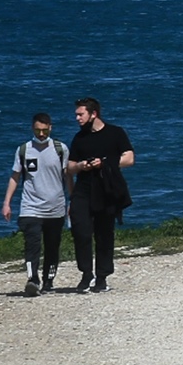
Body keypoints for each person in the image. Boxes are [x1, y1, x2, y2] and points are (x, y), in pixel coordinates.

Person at [66, 97, 134, 293]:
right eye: (76, 114)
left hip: (107, 189)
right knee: (81, 230)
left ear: (93, 113)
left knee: (105, 234)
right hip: (83, 189)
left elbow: (129, 158)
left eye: (81, 114)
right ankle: (86, 273)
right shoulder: (79, 138)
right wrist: (80, 166)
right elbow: (70, 166)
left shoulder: (115, 133)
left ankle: (102, 277)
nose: (77, 118)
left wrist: (104, 162)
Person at [2, 111, 69, 296]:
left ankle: (49, 280)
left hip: (55, 208)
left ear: (50, 128)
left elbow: (67, 176)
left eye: (45, 131)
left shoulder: (60, 149)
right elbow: (15, 177)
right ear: (32, 128)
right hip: (30, 207)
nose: (41, 134)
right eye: (38, 130)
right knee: (32, 244)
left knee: (52, 246)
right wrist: (7, 203)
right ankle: (33, 279)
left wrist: (73, 201)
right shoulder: (23, 150)